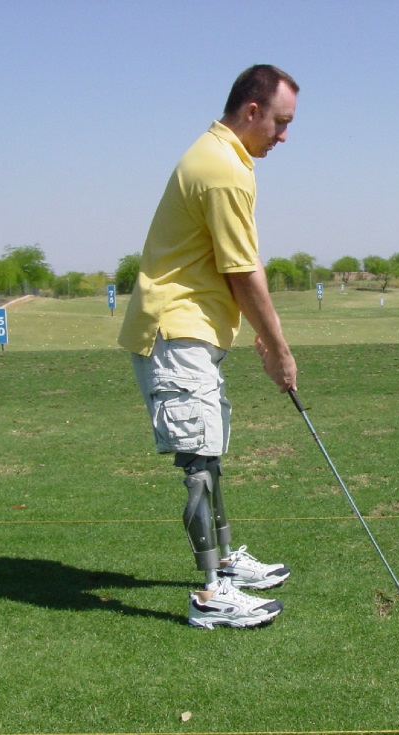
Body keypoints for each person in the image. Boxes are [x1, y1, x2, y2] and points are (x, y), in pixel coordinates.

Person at [118, 65, 299, 629]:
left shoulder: (226, 159)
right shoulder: (223, 170)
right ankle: (211, 594)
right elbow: (243, 272)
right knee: (198, 462)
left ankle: (225, 561)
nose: (284, 137)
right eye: (280, 123)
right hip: (175, 333)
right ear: (252, 111)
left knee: (210, 453)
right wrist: (278, 348)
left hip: (192, 332)